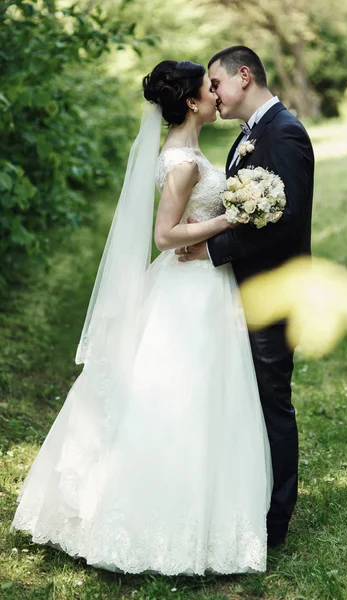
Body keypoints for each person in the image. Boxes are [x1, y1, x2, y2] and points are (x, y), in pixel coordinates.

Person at [10, 59, 273, 576]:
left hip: (200, 282)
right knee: (181, 395)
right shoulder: (183, 162)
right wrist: (231, 216)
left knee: (207, 396)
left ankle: (206, 514)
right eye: (210, 88)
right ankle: (155, 522)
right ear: (193, 102)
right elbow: (165, 235)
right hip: (189, 288)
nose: (218, 96)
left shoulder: (187, 150)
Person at [176, 46, 315, 548]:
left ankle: (276, 520)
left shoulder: (285, 132)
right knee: (248, 397)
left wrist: (211, 247)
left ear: (242, 76)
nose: (211, 93)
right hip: (247, 287)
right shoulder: (250, 135)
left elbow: (286, 222)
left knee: (272, 398)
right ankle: (248, 497)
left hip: (273, 288)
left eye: (215, 83)